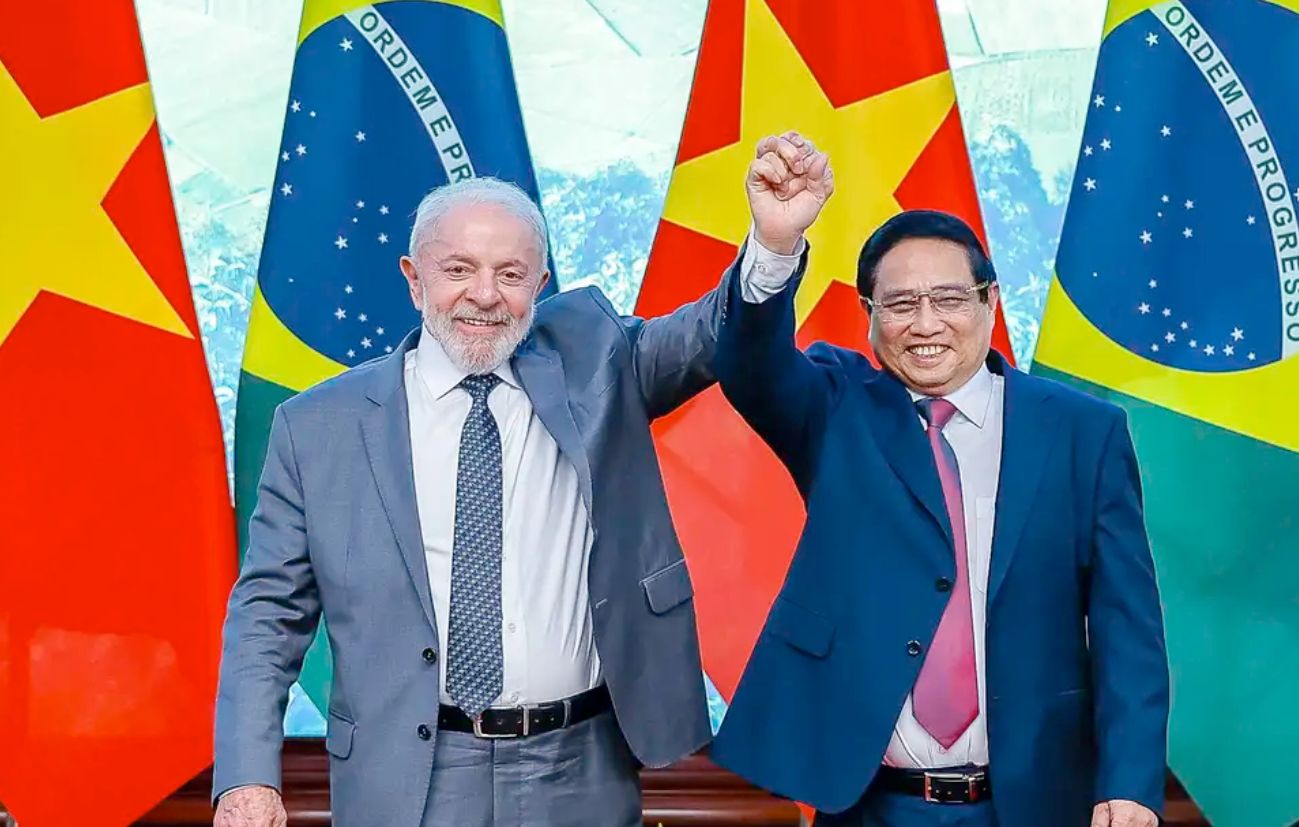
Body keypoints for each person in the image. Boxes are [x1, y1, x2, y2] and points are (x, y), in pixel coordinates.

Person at [211, 176, 741, 826]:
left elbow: (710, 334)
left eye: (510, 273)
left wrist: (772, 247)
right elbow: (268, 615)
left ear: (539, 283)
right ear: (414, 279)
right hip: (407, 775)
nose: (485, 295)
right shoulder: (317, 427)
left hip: (580, 767)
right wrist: (246, 777)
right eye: (458, 269)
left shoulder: (599, 366)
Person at [708, 132, 1169, 827]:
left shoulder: (1082, 433)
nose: (926, 324)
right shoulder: (837, 407)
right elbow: (752, 368)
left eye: (949, 298)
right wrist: (774, 245)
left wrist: (1129, 782)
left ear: (990, 301)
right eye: (899, 304)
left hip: (1033, 801)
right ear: (869, 316)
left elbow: (1125, 626)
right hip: (870, 803)